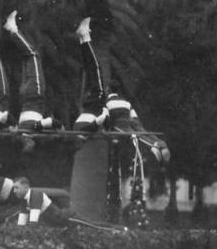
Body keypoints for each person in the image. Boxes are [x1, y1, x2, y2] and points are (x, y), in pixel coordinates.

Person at [72, 16, 170, 163]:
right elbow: (137, 126)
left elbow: (105, 122)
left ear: (108, 88)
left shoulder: (107, 98)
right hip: (95, 108)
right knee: (93, 69)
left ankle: (84, 37)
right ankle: (83, 38)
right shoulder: (124, 102)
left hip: (98, 110)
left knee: (94, 69)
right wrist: (154, 141)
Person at [3, 10, 63, 140]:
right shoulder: (21, 129)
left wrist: (60, 128)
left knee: (32, 55)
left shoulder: (32, 128)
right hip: (25, 96)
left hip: (34, 94)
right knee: (27, 59)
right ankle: (14, 31)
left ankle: (13, 30)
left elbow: (51, 122)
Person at [11, 176, 79, 227]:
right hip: (48, 220)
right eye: (14, 188)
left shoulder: (36, 195)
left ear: (25, 187)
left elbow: (33, 221)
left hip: (61, 218)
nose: (14, 191)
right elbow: (22, 218)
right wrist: (19, 228)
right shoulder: (24, 199)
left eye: (17, 188)